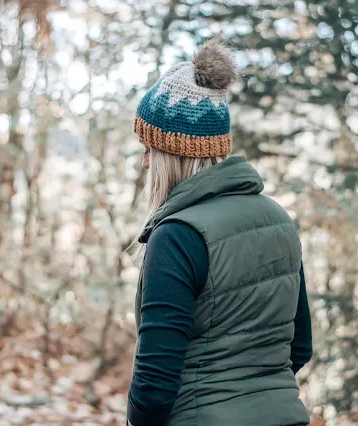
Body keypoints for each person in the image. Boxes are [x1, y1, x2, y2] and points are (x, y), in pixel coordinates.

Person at [127, 38, 313, 426]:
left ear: (173, 153)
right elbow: (300, 346)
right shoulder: (278, 220)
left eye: (149, 149)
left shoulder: (177, 235)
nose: (146, 163)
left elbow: (155, 384)